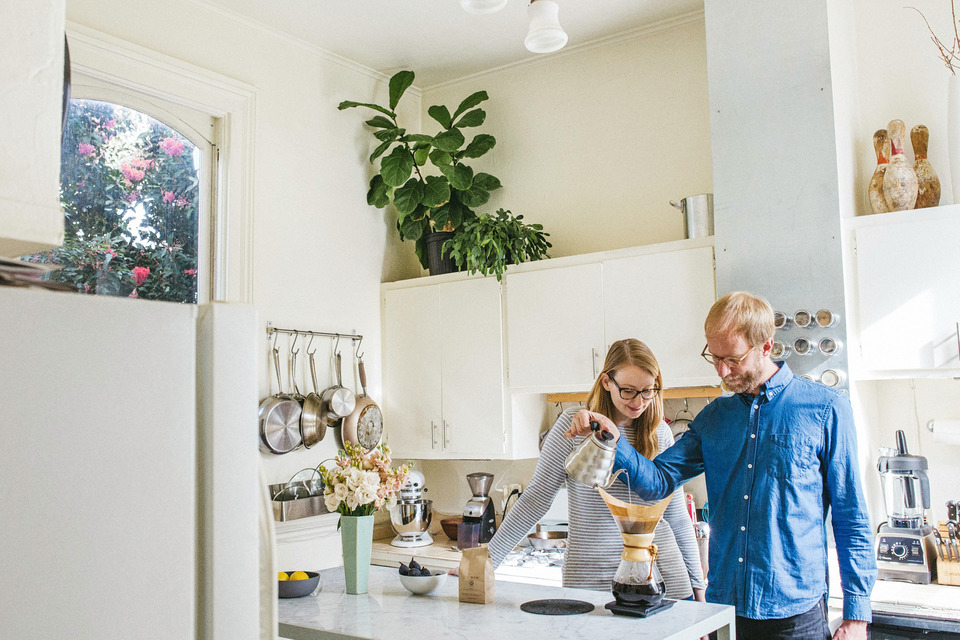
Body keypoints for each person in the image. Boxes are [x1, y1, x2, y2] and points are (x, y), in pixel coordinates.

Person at [565, 292, 876, 640]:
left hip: (795, 614)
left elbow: (851, 516)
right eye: (714, 357)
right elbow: (657, 481)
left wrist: (857, 613)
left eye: (732, 359)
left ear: (766, 346)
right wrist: (614, 439)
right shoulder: (714, 418)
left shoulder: (826, 409)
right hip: (724, 611)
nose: (722, 371)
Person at [487, 338, 706, 601]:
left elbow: (676, 516)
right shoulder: (574, 427)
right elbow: (535, 500)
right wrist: (487, 561)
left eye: (648, 390)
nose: (639, 401)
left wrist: (697, 584)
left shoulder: (659, 433)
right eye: (628, 390)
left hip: (653, 577)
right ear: (606, 382)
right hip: (588, 578)